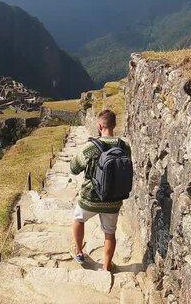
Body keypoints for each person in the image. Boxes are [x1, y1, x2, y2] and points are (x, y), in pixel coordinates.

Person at [70, 109, 131, 272]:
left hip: (90, 197)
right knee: (109, 233)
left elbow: (74, 168)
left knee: (78, 219)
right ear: (114, 125)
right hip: (114, 198)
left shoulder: (90, 147)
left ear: (99, 126)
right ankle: (106, 266)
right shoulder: (124, 147)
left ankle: (79, 251)